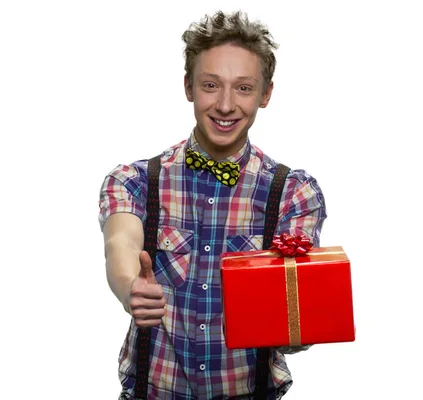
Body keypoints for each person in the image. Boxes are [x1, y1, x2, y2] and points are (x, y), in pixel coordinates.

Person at [98, 10, 327, 399]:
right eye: (210, 85)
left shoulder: (293, 193)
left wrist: (297, 327)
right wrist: (129, 287)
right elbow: (120, 242)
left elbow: (295, 307)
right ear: (188, 87)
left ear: (265, 94)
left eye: (243, 88)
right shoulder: (134, 180)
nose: (224, 105)